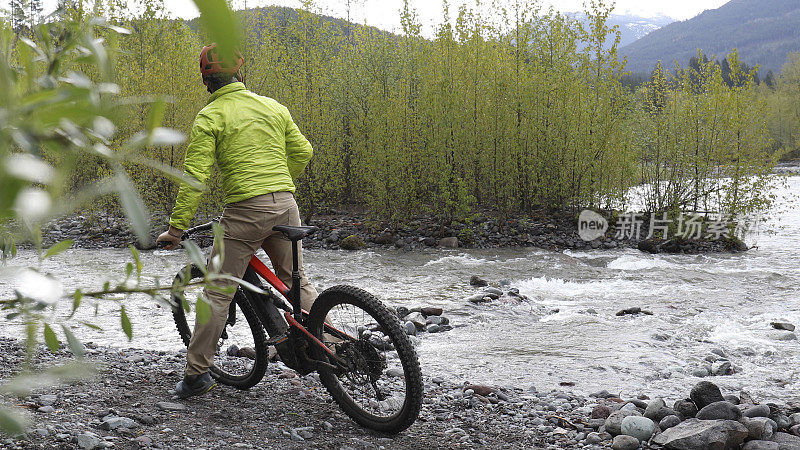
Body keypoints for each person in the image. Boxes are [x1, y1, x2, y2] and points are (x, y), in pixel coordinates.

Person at [156, 43, 318, 398]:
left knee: (217, 293)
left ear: (205, 81)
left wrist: (176, 228)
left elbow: (195, 177)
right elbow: (304, 152)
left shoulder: (210, 116)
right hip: (286, 204)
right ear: (240, 72)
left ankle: (197, 375)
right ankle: (332, 349)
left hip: (245, 211)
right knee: (297, 281)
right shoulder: (273, 107)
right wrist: (279, 181)